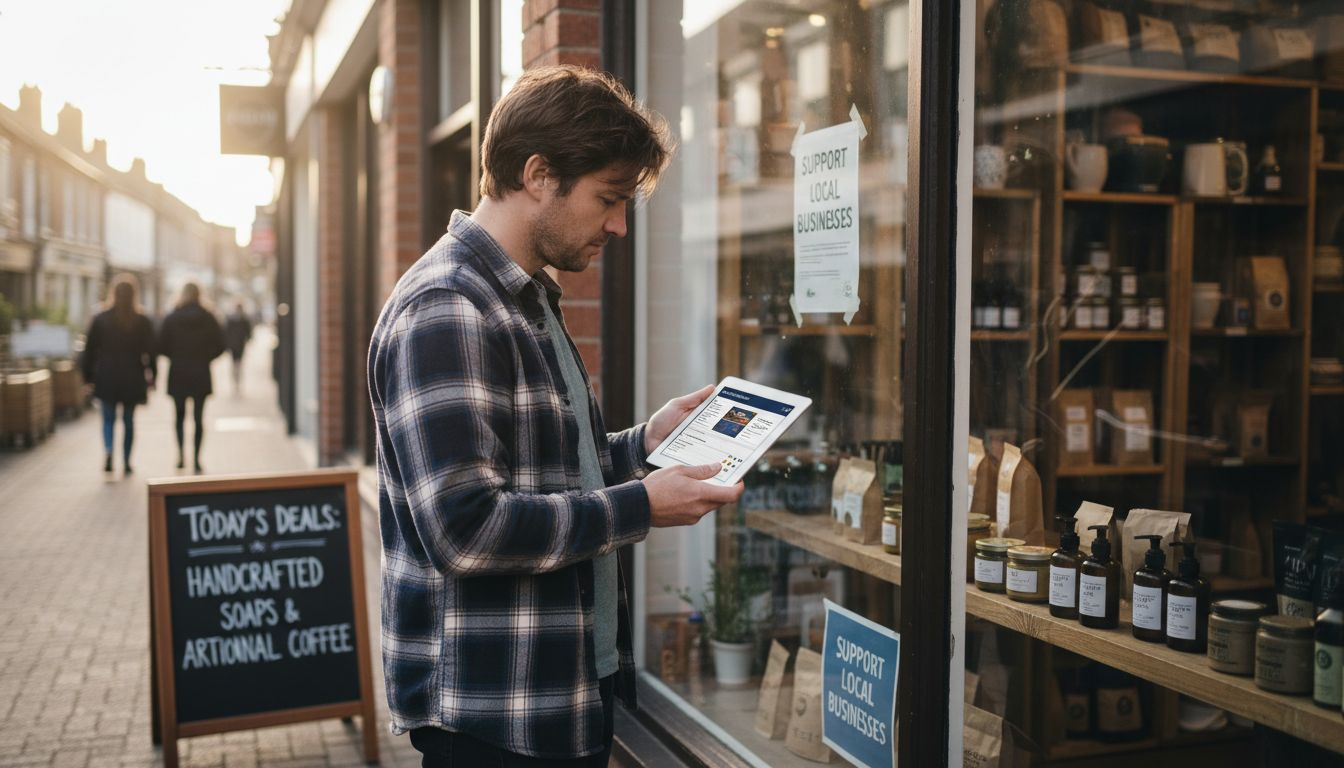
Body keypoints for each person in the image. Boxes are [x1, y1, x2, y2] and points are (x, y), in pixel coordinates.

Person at [368, 66, 740, 767]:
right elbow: (467, 529)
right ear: (538, 174)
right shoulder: (449, 307)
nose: (619, 225)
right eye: (609, 197)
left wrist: (643, 447)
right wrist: (641, 506)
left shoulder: (524, 295)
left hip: (558, 691)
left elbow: (546, 474)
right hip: (494, 720)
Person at [81, 275, 156, 474]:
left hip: (107, 375)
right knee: (129, 421)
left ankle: (108, 451)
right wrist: (153, 377)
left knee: (107, 419)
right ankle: (127, 460)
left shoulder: (101, 318)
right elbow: (151, 351)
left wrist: (87, 378)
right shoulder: (142, 320)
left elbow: (89, 350)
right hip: (133, 376)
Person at [158, 283, 225, 472]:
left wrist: (177, 356)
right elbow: (220, 345)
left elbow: (161, 345)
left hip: (178, 373)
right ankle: (196, 459)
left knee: (179, 417)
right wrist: (205, 357)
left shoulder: (172, 317)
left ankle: (180, 456)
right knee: (198, 418)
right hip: (200, 373)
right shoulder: (209, 317)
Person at [223, 302, 253, 394]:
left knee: (237, 364)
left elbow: (248, 332)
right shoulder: (237, 319)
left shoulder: (242, 319)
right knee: (237, 364)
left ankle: (237, 381)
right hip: (236, 345)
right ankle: (236, 381)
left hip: (237, 345)